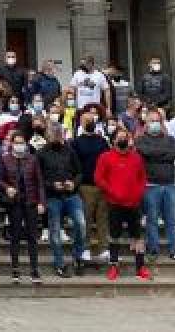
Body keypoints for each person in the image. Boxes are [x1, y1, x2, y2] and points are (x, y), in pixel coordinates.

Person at [95, 127, 151, 281]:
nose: (123, 140)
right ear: (113, 140)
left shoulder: (136, 157)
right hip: (114, 203)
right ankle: (113, 266)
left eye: (125, 137)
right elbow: (99, 178)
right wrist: (112, 192)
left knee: (137, 237)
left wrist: (139, 193)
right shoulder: (105, 157)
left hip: (133, 204)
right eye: (119, 137)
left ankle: (140, 267)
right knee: (114, 236)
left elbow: (142, 178)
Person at [39, 122, 86, 277]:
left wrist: (73, 183)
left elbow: (79, 172)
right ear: (48, 135)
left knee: (81, 224)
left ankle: (77, 257)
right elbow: (38, 179)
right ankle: (59, 264)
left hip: (72, 194)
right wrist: (52, 185)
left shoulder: (70, 151)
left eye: (59, 133)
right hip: (53, 197)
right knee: (55, 231)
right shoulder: (41, 153)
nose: (57, 135)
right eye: (54, 133)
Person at [136, 108, 175, 262]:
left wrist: (155, 154)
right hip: (150, 186)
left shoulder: (170, 139)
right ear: (146, 123)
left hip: (170, 185)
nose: (155, 123)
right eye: (152, 121)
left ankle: (174, 249)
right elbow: (145, 152)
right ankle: (153, 249)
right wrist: (163, 154)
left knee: (172, 220)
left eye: (158, 120)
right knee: (152, 220)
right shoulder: (140, 140)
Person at [0, 130, 44, 282]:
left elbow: (39, 183)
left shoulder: (33, 159)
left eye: (22, 143)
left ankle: (34, 269)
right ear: (12, 144)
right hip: (14, 202)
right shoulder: (5, 159)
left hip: (30, 201)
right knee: (15, 236)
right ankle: (15, 269)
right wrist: (7, 188)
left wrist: (41, 202)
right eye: (16, 142)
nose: (19, 145)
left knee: (32, 236)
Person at [72, 111, 110, 262]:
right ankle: (85, 248)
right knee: (86, 219)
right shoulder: (76, 142)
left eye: (92, 119)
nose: (90, 121)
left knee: (103, 219)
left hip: (103, 186)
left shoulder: (102, 141)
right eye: (87, 120)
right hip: (85, 186)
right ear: (81, 122)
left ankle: (104, 248)